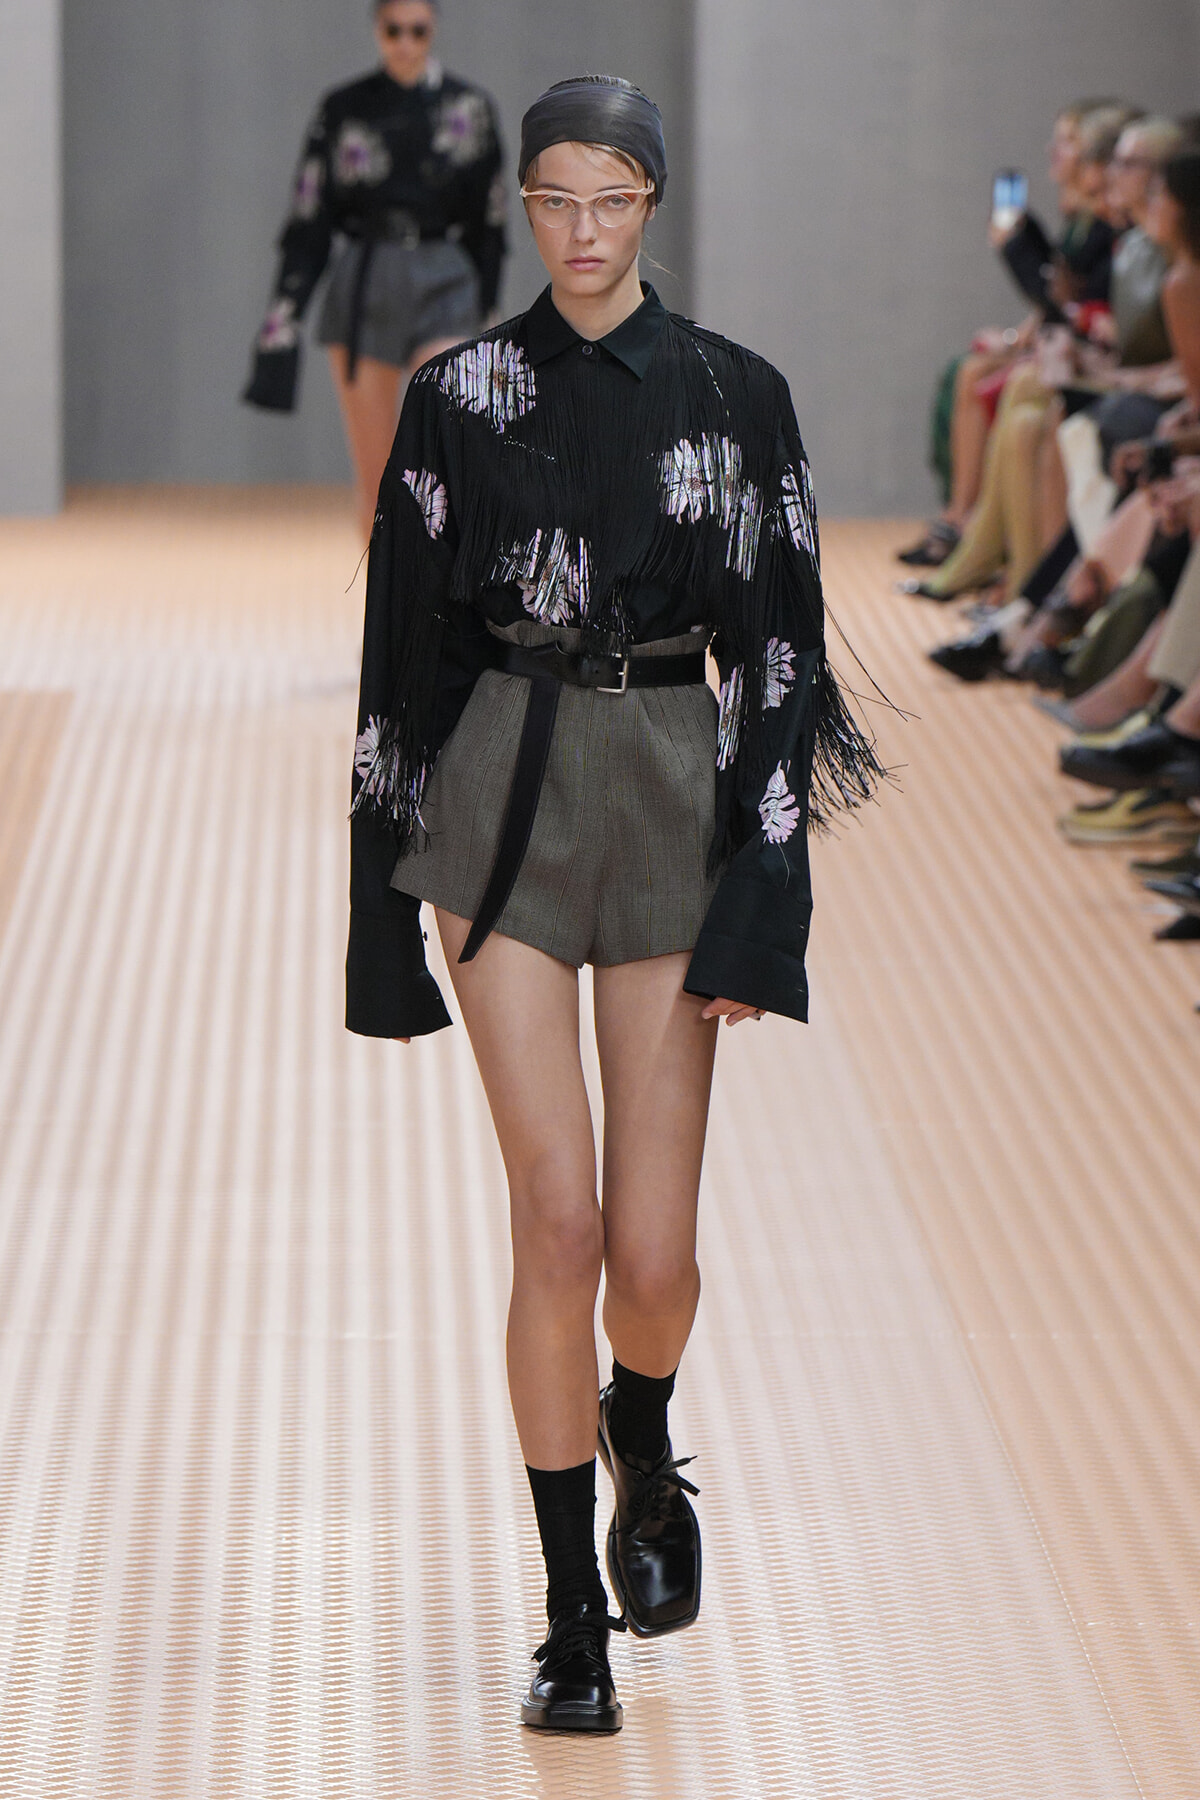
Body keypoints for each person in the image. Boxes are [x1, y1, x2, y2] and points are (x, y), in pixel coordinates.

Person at [344, 75, 883, 1733]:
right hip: (500, 790)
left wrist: (767, 895)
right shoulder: (462, 395)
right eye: (554, 200)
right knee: (558, 1224)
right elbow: (404, 647)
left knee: (653, 1257)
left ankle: (641, 1430)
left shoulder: (736, 395)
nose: (581, 230)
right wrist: (376, 907)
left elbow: (780, 656)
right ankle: (572, 1616)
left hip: (665, 786)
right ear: (523, 206)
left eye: (612, 198)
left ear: (652, 200)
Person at [242, 0, 506, 539]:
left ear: (433, 29)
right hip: (366, 282)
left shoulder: (470, 107)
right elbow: (310, 217)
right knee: (378, 481)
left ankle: (442, 591)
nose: (405, 43)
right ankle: (383, 596)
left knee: (447, 458)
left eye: (417, 31)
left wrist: (490, 314)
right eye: (393, 30)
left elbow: (491, 220)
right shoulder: (343, 109)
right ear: (377, 30)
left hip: (446, 277)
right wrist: (282, 320)